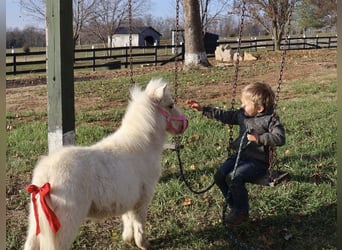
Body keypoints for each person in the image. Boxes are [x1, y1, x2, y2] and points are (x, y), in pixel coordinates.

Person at [186, 82, 285, 226]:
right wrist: (203, 109)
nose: (242, 107)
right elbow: (226, 115)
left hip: (258, 162)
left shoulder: (270, 119)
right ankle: (235, 207)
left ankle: (242, 210)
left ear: (259, 108)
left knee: (234, 177)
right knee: (220, 176)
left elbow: (280, 138)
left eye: (245, 104)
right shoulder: (242, 115)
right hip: (240, 156)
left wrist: (260, 138)